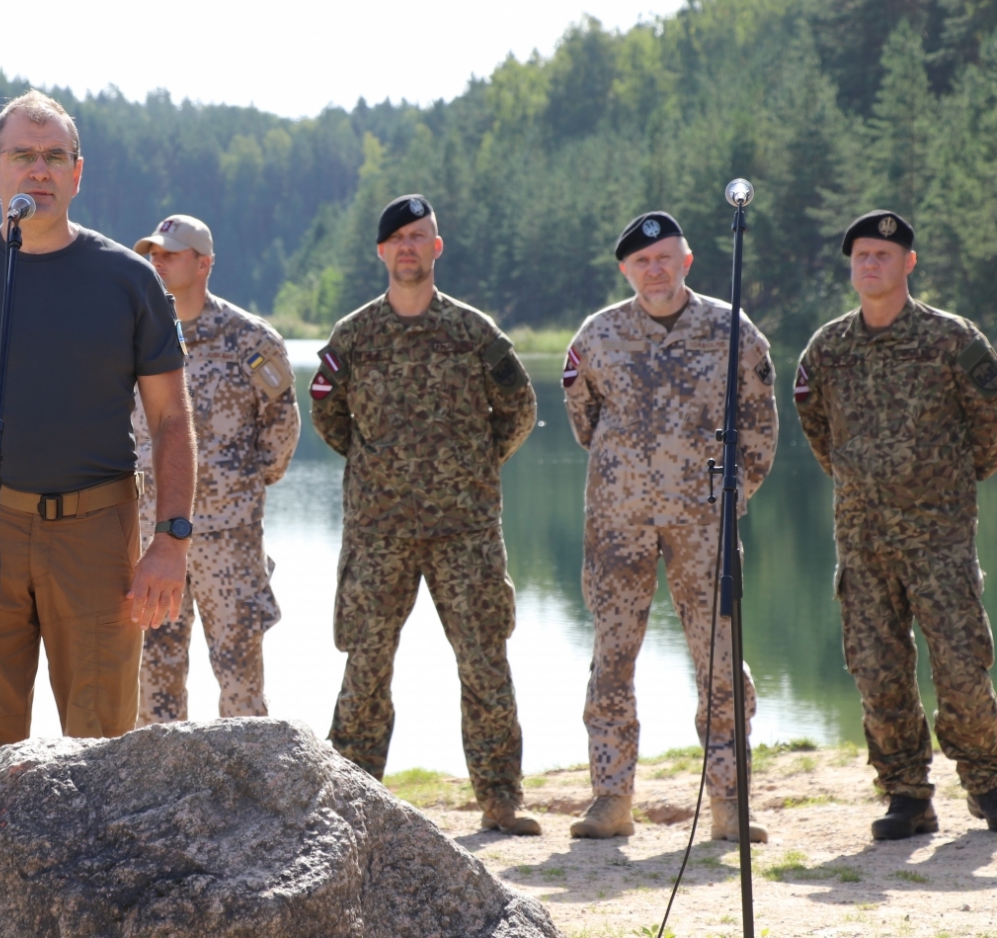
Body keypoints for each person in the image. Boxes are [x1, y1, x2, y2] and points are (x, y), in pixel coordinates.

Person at [0, 90, 196, 764]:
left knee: (102, 745)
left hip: (96, 531)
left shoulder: (129, 280)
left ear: (78, 173)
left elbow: (172, 419)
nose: (40, 170)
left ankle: (98, 872)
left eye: (55, 156)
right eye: (23, 155)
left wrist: (171, 540)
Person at [310, 194, 540, 835]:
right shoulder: (353, 338)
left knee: (484, 661)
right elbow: (329, 416)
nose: (408, 247)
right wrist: (379, 468)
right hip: (378, 531)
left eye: (420, 236)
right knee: (366, 664)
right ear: (382, 252)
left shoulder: (474, 333)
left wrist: (471, 467)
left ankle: (500, 798)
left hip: (464, 530)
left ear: (436, 248)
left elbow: (518, 410)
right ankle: (353, 799)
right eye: (397, 239)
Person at [561, 212, 777, 843]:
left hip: (704, 523)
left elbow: (760, 429)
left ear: (687, 261)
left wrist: (729, 497)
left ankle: (731, 803)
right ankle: (611, 799)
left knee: (720, 661)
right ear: (626, 270)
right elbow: (585, 419)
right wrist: (631, 474)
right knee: (612, 656)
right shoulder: (597, 336)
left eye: (665, 258)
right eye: (641, 262)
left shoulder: (731, 331)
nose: (654, 270)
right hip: (617, 522)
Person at [794, 210, 997, 840]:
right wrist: (862, 481)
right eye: (861, 256)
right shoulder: (828, 349)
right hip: (862, 540)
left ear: (908, 263)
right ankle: (907, 796)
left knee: (962, 666)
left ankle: (988, 782)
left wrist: (944, 483)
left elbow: (990, 425)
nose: (870, 265)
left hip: (938, 536)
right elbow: (816, 427)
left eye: (883, 254)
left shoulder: (953, 340)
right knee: (878, 672)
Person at [129, 214, 300, 723]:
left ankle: (247, 796)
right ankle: (157, 795)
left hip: (229, 538)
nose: (157, 262)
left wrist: (236, 488)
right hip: (150, 533)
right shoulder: (134, 335)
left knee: (240, 682)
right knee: (154, 677)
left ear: (204, 264)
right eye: (153, 253)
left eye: (171, 254)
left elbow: (281, 429)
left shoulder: (249, 339)